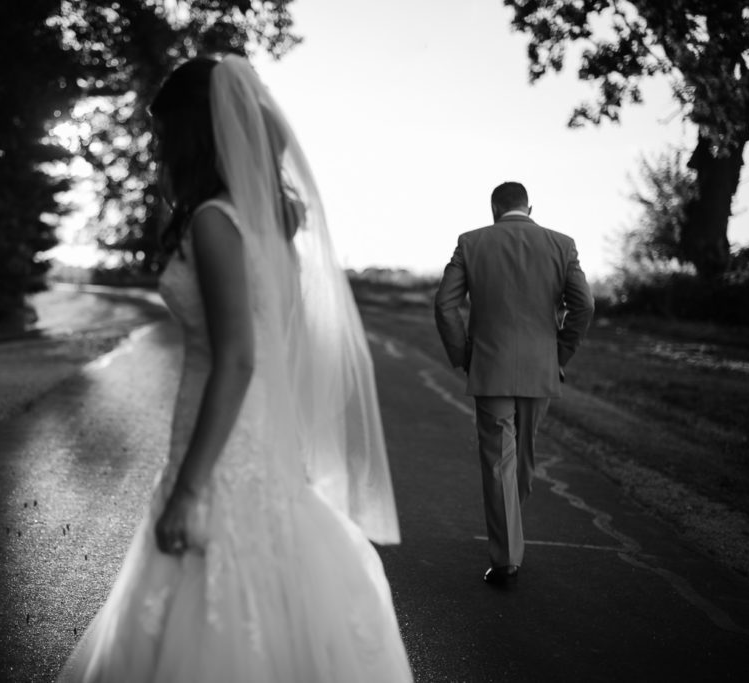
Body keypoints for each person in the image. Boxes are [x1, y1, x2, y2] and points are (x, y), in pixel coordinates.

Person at [58, 54, 413, 682]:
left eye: (164, 135)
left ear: (193, 135)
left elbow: (241, 358)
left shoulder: (215, 223)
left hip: (223, 452)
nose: (158, 149)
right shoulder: (269, 226)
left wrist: (189, 488)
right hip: (259, 445)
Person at [433, 182, 594, 586]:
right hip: (542, 368)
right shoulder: (562, 244)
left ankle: (506, 556)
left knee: (499, 460)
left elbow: (444, 303)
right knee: (522, 456)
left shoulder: (471, 243)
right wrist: (561, 354)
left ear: (494, 209)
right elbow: (585, 304)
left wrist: (462, 353)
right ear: (529, 207)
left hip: (490, 366)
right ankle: (509, 538)